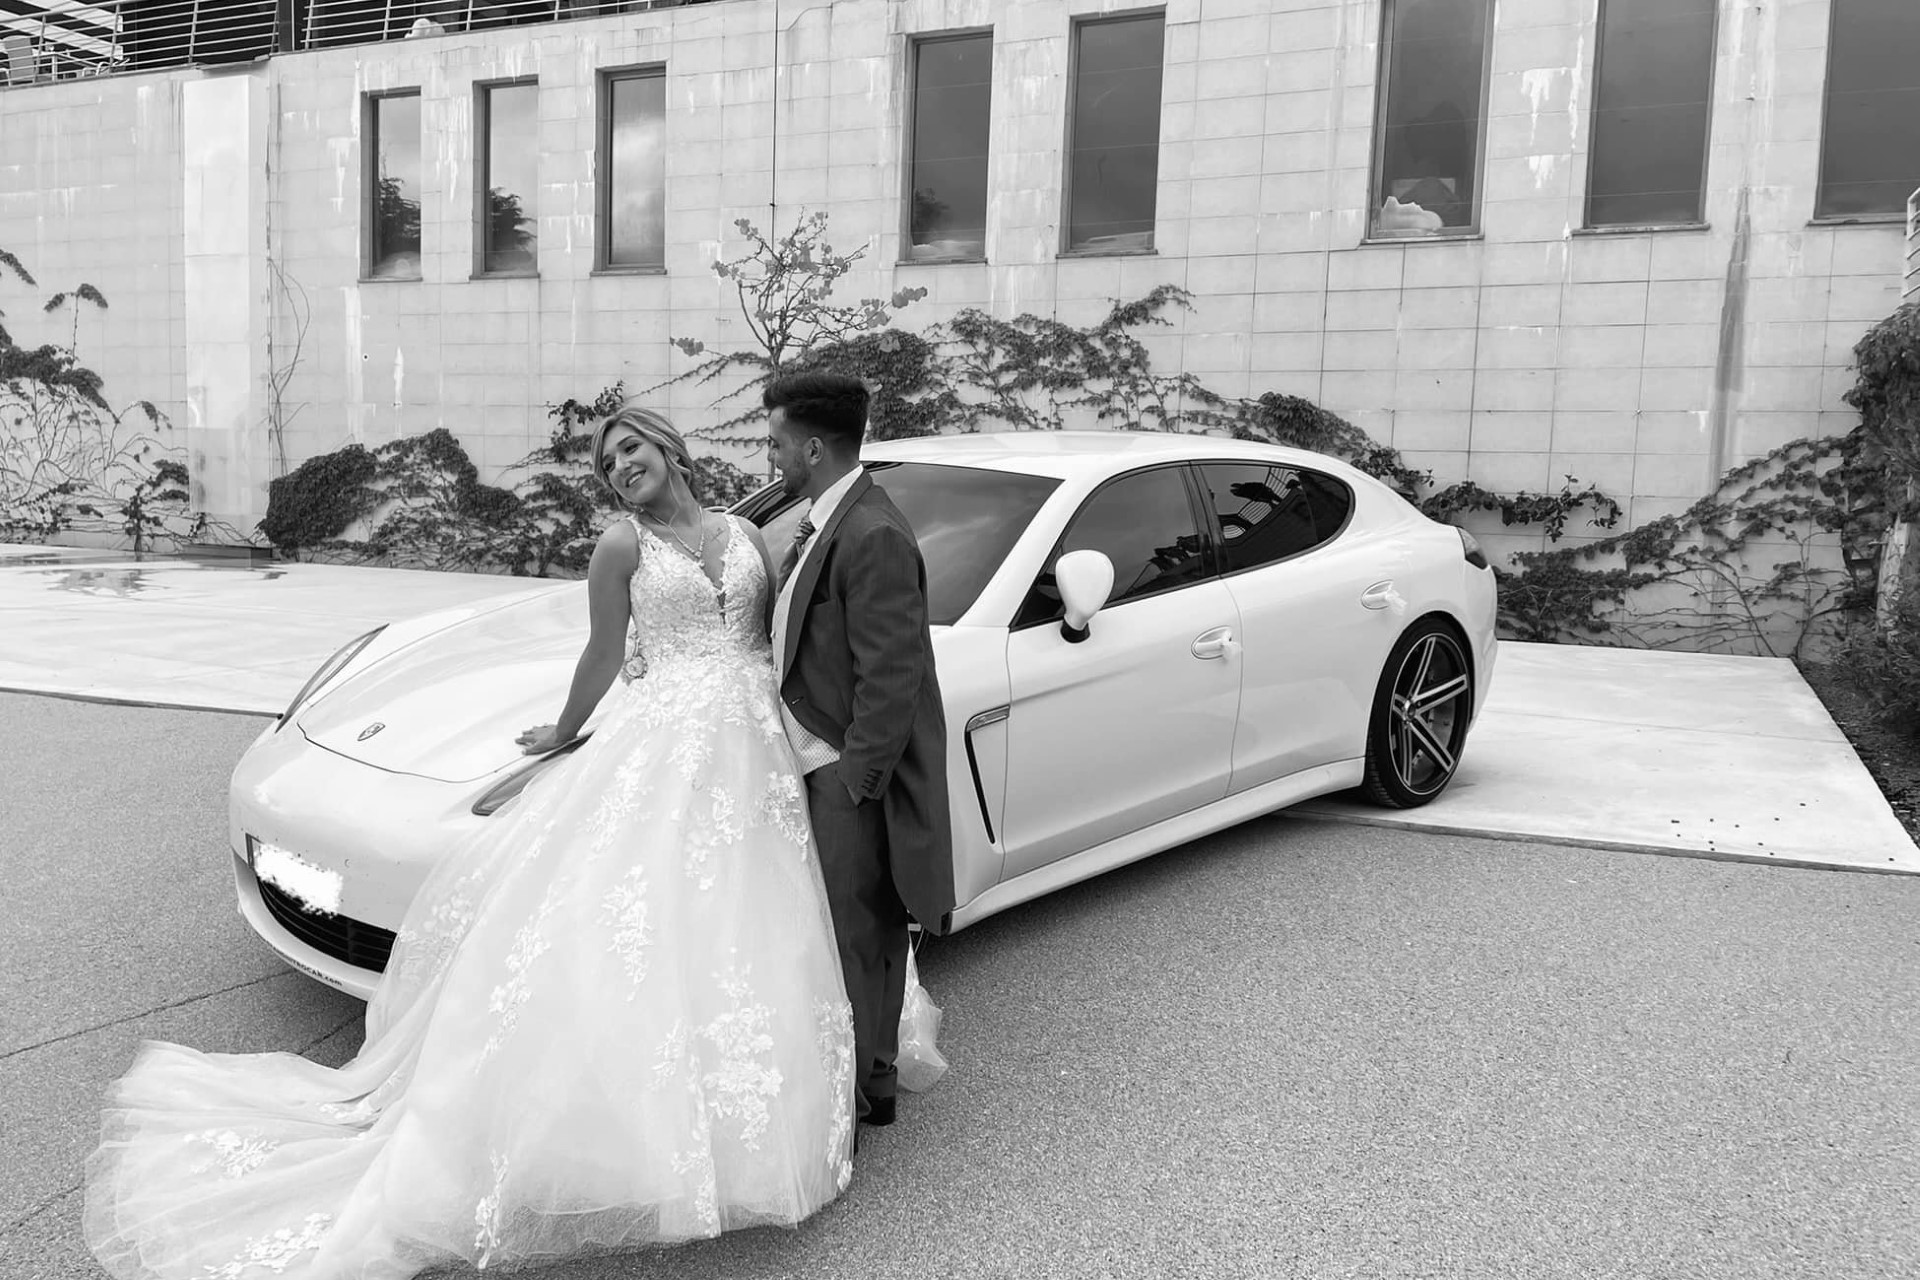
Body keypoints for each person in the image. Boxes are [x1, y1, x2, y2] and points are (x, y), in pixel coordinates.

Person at [84, 406, 859, 1280]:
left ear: (669, 448)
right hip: (669, 739)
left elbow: (771, 640)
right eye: (607, 463)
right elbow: (604, 652)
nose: (620, 467)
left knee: (749, 916)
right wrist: (564, 732)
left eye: (630, 448)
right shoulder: (621, 548)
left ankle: (761, 1110)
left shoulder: (745, 538)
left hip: (751, 747)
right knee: (649, 919)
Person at [763, 372, 957, 1128]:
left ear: (813, 448)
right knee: (852, 931)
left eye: (776, 443)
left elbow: (893, 676)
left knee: (858, 934)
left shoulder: (872, 533)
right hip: (818, 763)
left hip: (844, 773)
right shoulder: (830, 519)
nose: (771, 457)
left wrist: (856, 779)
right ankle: (864, 1076)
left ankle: (864, 1089)